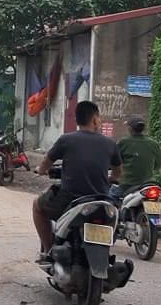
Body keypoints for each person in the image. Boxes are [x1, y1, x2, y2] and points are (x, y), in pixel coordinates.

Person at [32, 101, 122, 262]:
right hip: (101, 200)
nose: (99, 122)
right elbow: (118, 173)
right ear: (94, 120)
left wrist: (41, 170)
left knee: (37, 206)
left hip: (70, 200)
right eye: (99, 119)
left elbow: (47, 160)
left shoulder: (66, 139)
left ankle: (48, 250)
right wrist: (111, 178)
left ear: (77, 120)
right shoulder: (110, 144)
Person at [115, 116, 161, 189]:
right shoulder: (154, 144)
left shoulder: (123, 142)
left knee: (111, 197)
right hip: (147, 184)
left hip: (126, 184)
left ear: (130, 128)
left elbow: (115, 161)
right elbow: (158, 165)